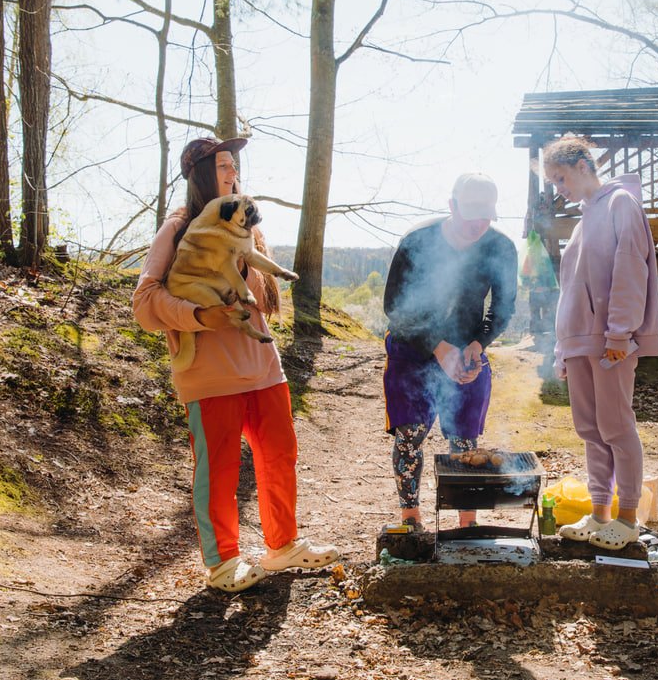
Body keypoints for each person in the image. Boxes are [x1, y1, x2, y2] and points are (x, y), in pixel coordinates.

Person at [133, 136, 340, 593]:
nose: (233, 172)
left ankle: (283, 545)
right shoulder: (179, 227)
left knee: (280, 456)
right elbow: (145, 303)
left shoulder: (247, 225)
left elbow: (260, 299)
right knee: (220, 471)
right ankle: (223, 562)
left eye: (235, 165)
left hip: (264, 368)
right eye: (223, 165)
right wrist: (199, 315)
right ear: (201, 174)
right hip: (209, 377)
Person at [542, 137, 658, 551]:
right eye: (552, 181)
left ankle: (628, 519)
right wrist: (563, 348)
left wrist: (619, 333)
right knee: (591, 431)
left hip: (609, 341)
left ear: (581, 165)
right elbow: (571, 289)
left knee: (616, 427)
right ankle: (599, 515)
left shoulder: (620, 204)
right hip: (579, 343)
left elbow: (631, 268)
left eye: (560, 177)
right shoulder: (581, 221)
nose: (558, 187)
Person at [382, 173, 518, 530]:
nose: (479, 223)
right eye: (471, 213)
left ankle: (466, 523)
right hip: (413, 348)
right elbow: (395, 308)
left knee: (464, 439)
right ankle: (411, 519)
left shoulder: (500, 247)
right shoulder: (417, 241)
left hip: (466, 350)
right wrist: (438, 347)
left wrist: (478, 344)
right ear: (452, 206)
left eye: (486, 215)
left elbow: (502, 309)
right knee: (410, 435)